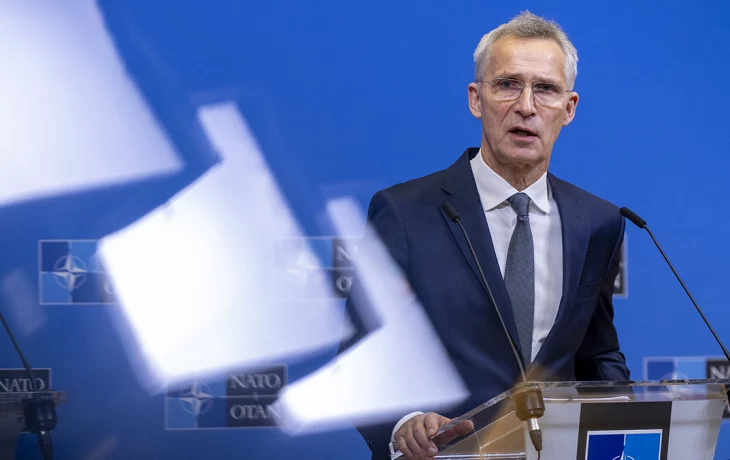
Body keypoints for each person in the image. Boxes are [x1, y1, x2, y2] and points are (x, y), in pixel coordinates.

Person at [343, 11, 630, 460]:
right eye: (508, 84)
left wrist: (629, 418)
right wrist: (403, 425)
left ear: (569, 108)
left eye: (545, 89)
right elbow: (361, 352)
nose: (527, 106)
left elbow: (598, 354)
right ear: (477, 99)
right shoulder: (404, 212)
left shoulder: (598, 221)